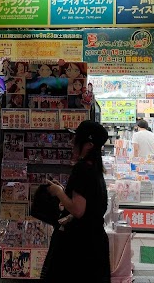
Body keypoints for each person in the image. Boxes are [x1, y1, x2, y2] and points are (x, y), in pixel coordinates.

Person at [42, 120, 111, 282]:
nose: (72, 142)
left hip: (81, 245)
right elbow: (91, 206)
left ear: (88, 145)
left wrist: (58, 192)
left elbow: (78, 209)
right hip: (95, 242)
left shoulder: (82, 169)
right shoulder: (95, 168)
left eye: (76, 138)